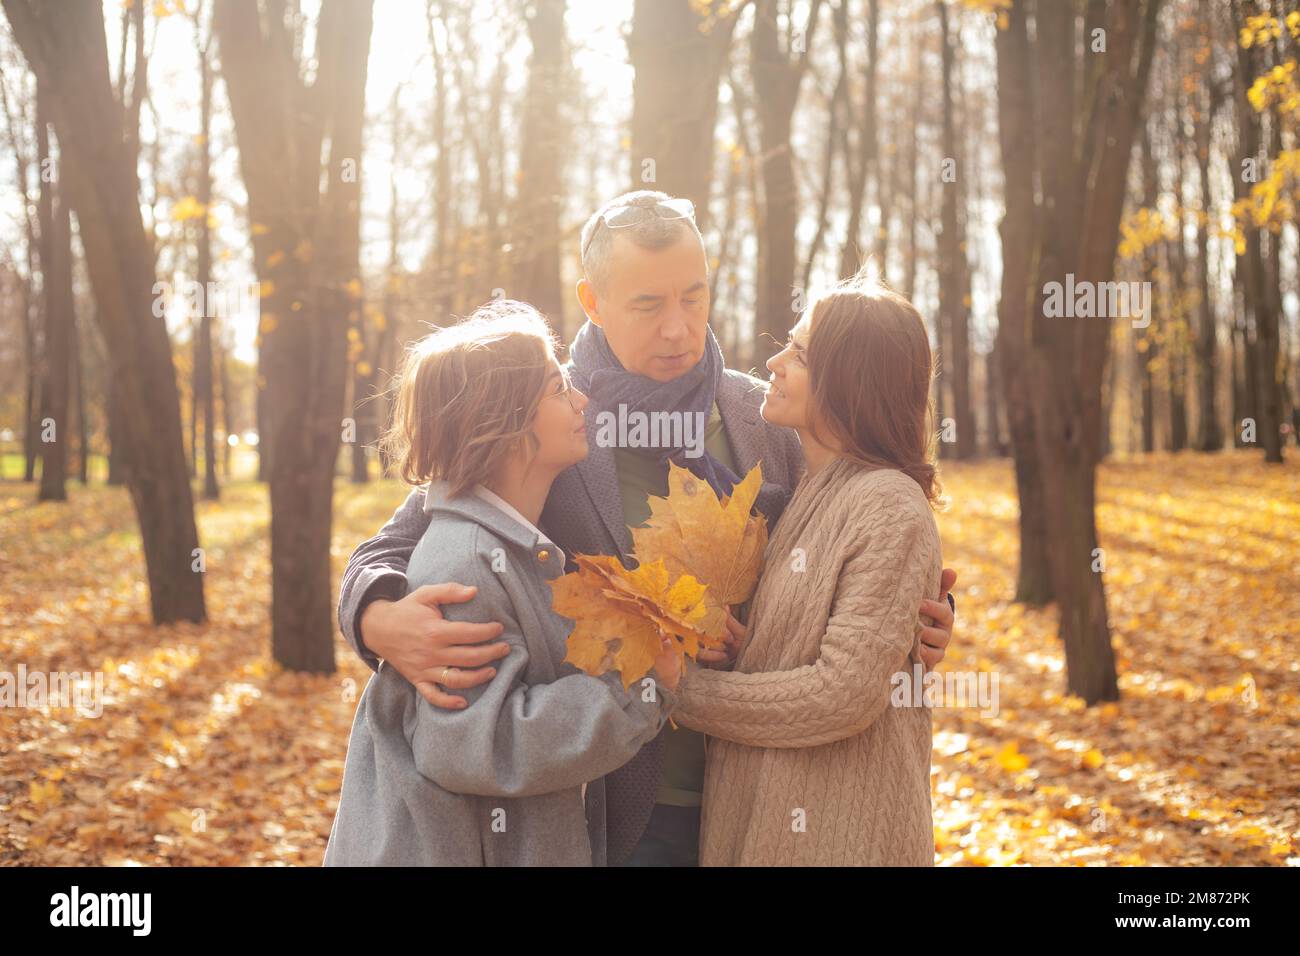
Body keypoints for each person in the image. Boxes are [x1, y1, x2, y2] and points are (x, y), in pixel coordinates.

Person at [336, 190, 957, 866]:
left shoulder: (765, 417)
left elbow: (847, 536)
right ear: (593, 301)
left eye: (693, 298)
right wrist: (377, 617)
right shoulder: (540, 418)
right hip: (617, 806)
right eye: (648, 305)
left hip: (758, 796)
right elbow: (396, 546)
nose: (678, 329)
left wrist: (907, 619)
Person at [324, 301, 680, 866]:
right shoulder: (465, 568)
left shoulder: (511, 546)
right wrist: (637, 691)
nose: (581, 400)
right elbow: (473, 745)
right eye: (559, 390)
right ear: (507, 422)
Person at [673, 277, 943, 865]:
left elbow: (841, 692)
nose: (773, 362)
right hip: (763, 826)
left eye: (797, 353)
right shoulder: (804, 493)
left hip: (844, 836)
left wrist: (676, 692)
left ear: (849, 381)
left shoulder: (887, 503)